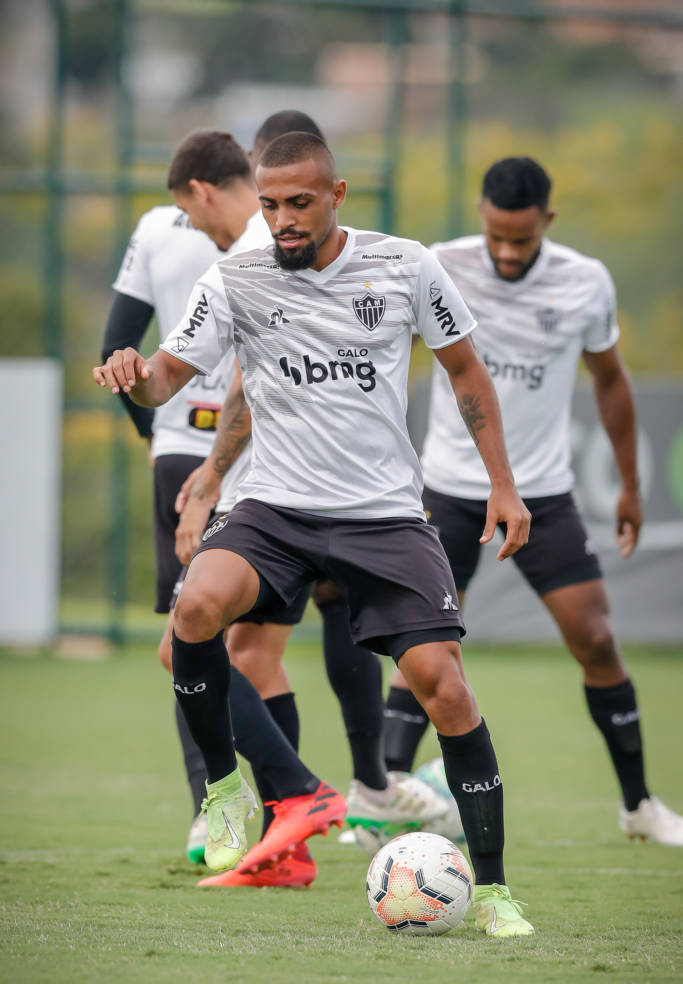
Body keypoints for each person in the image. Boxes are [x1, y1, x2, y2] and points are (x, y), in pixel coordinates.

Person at [94, 132, 536, 937]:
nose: (283, 220)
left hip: (383, 516)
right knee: (194, 610)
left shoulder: (404, 266)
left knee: (444, 688)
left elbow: (465, 369)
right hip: (276, 510)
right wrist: (134, 373)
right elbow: (166, 376)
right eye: (270, 205)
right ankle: (225, 793)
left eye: (299, 203)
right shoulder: (234, 279)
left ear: (336, 195)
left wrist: (502, 484)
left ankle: (496, 892)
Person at [384, 156, 683, 848]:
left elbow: (610, 380)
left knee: (596, 639)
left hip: (542, 494)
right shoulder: (439, 264)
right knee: (423, 647)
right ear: (480, 217)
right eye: (496, 236)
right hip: (448, 491)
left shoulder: (585, 281)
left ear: (547, 220)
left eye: (521, 239)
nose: (507, 252)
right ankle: (380, 797)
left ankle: (638, 805)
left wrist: (630, 486)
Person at [102, 122, 348, 885]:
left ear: (205, 191)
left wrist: (205, 480)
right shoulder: (284, 243)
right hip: (296, 479)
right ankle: (287, 843)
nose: (194, 228)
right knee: (256, 659)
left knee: (184, 643)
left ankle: (276, 795)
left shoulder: (258, 252)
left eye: (192, 212)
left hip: (260, 483)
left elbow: (244, 383)